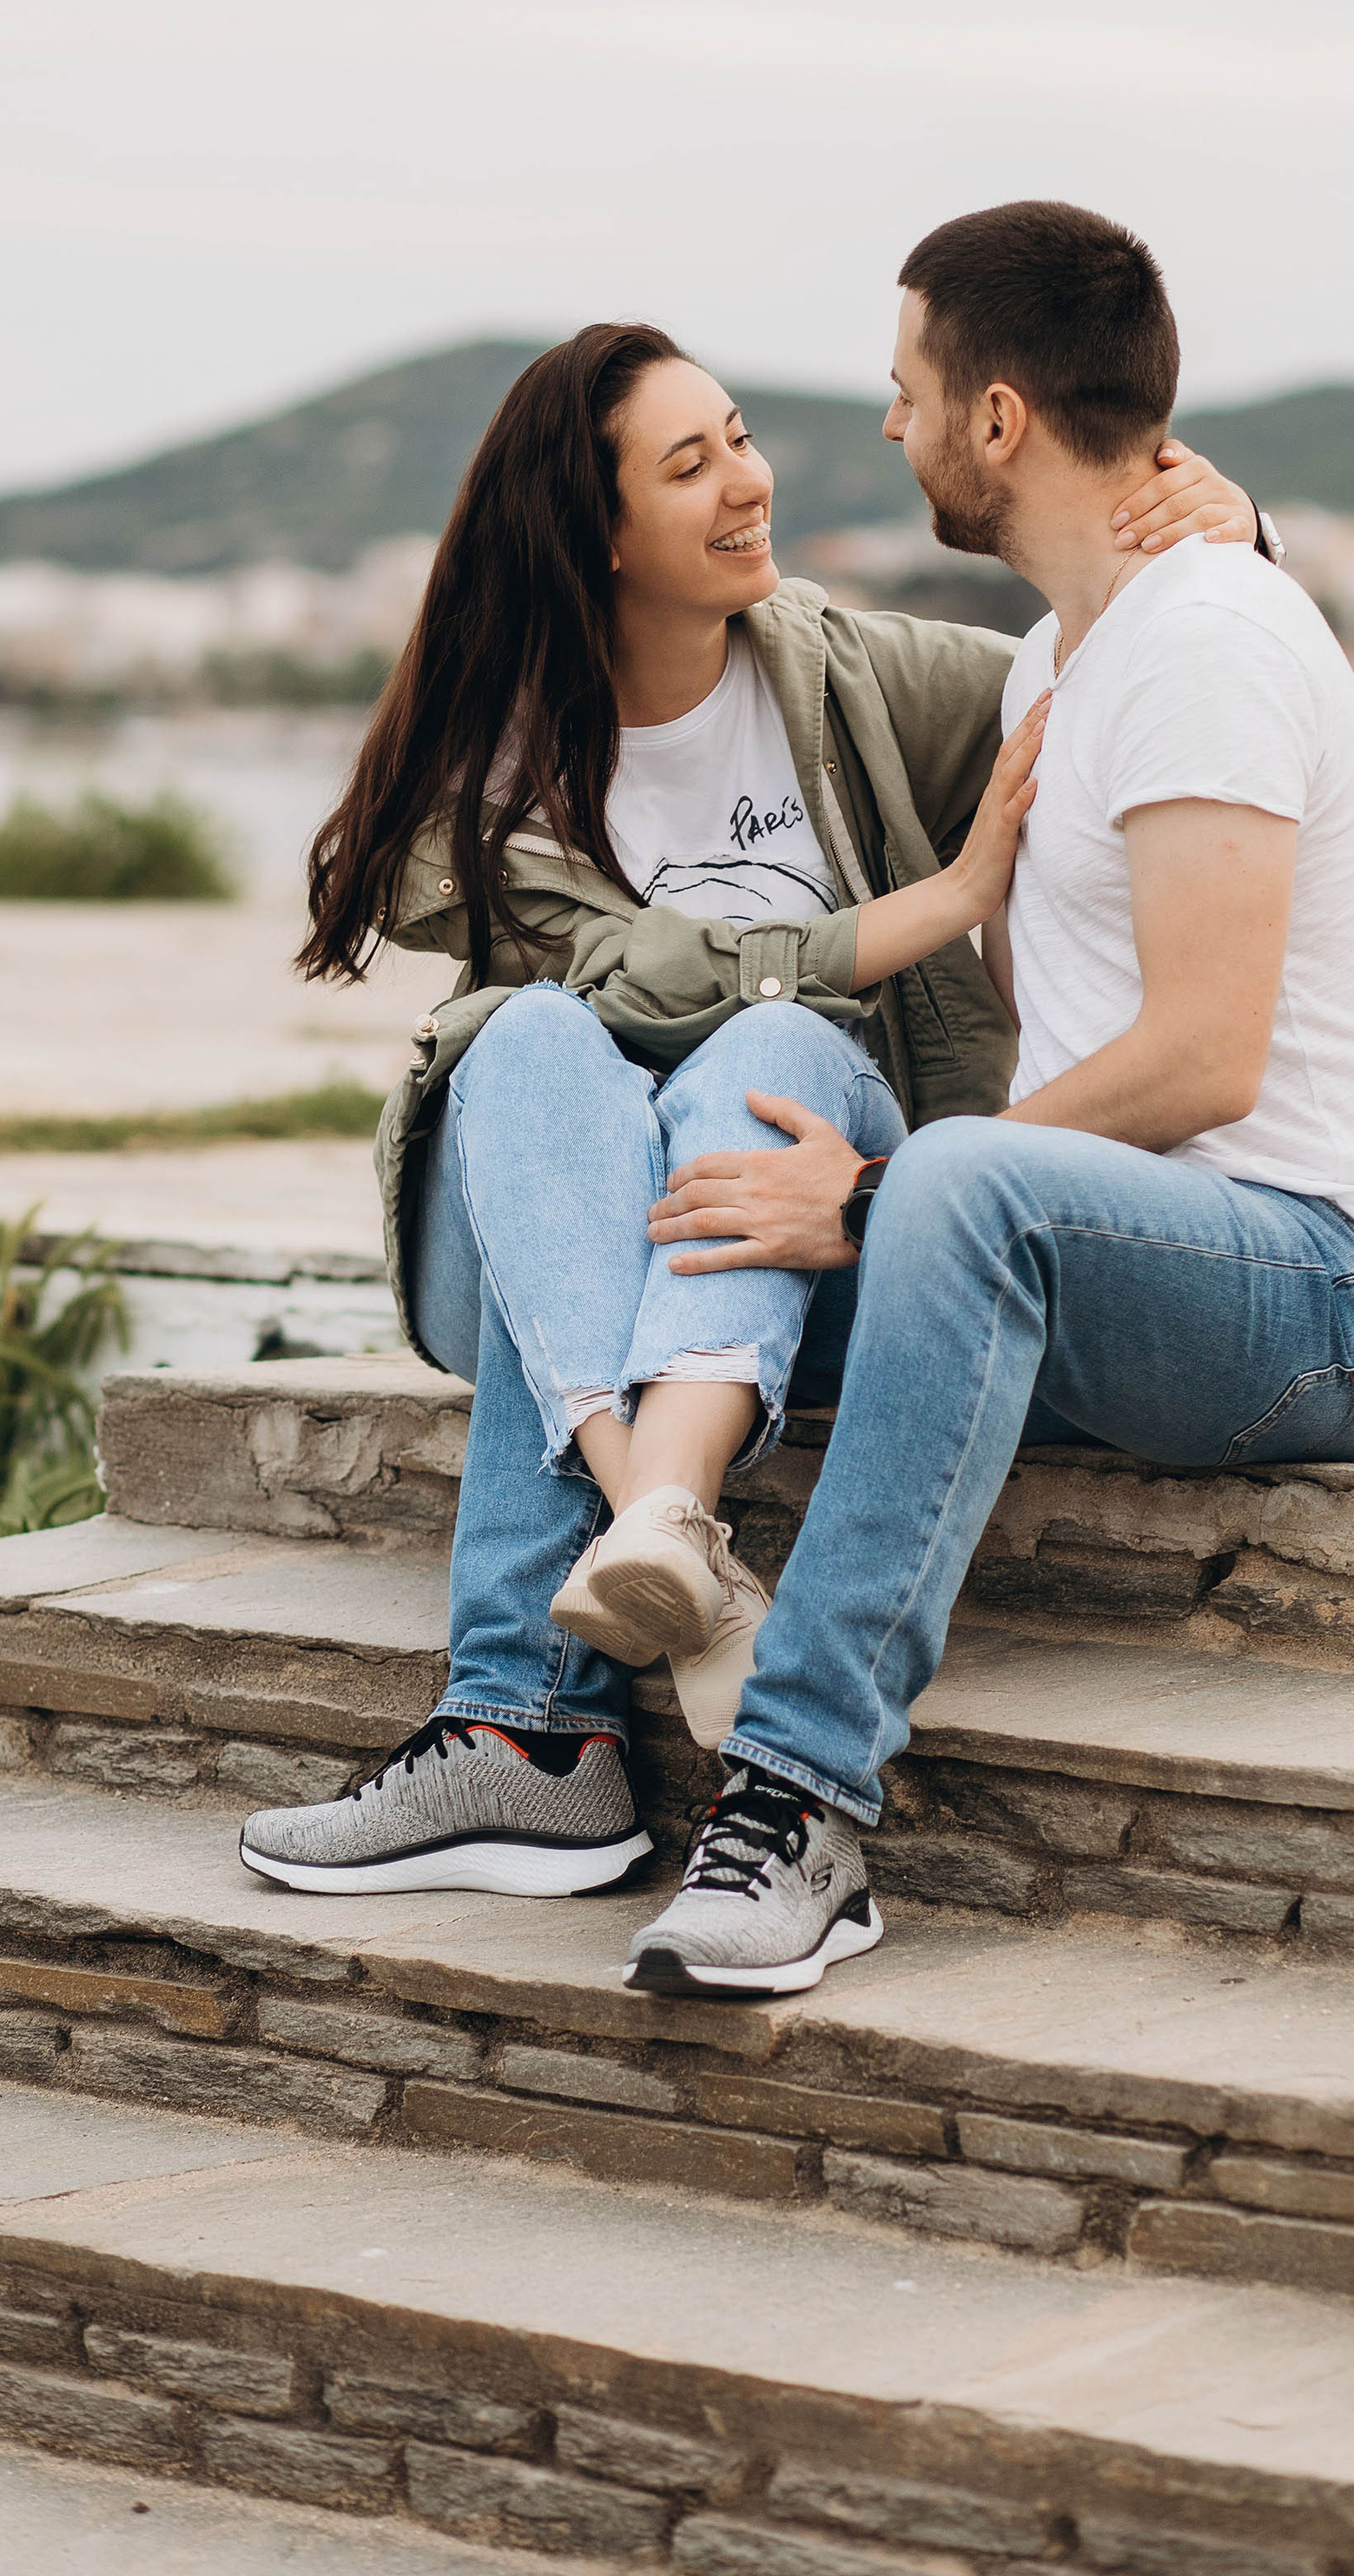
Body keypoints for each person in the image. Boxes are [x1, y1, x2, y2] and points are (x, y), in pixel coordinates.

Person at [239, 316, 1267, 1900]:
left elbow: (1110, 666)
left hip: (782, 1230)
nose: (749, 480)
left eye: (739, 437)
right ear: (597, 535)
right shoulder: (489, 761)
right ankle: (660, 1506)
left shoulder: (843, 672)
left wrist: (1232, 533)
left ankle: (536, 1737)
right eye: (691, 461)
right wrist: (944, 900)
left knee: (775, 1057)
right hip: (527, 1243)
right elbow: (641, 975)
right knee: (525, 1040)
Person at [621, 202, 1354, 1996]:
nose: (883, 426)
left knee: (941, 1182)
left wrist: (885, 1197)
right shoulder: (1049, 665)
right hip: (1125, 1264)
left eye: (904, 387)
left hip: (1323, 1287)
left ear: (994, 419)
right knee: (708, 1218)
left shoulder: (1206, 640)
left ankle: (794, 1801)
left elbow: (1203, 1058)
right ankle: (523, 1730)